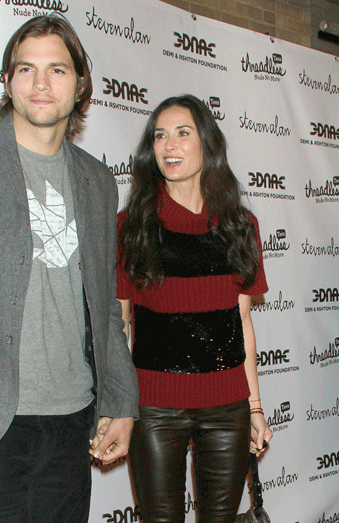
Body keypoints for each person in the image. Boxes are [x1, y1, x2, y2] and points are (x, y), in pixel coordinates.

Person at [0, 14, 138, 523]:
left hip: (72, 424)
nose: (40, 84)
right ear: (7, 80)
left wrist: (121, 401)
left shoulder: (98, 181)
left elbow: (105, 306)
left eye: (57, 70)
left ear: (80, 84)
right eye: (26, 69)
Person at [116, 94, 272, 523]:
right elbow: (119, 324)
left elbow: (242, 321)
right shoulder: (132, 227)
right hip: (153, 408)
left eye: (182, 133)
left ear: (207, 142)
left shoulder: (241, 226)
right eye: (160, 136)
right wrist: (116, 406)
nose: (169, 145)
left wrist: (255, 406)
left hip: (227, 407)